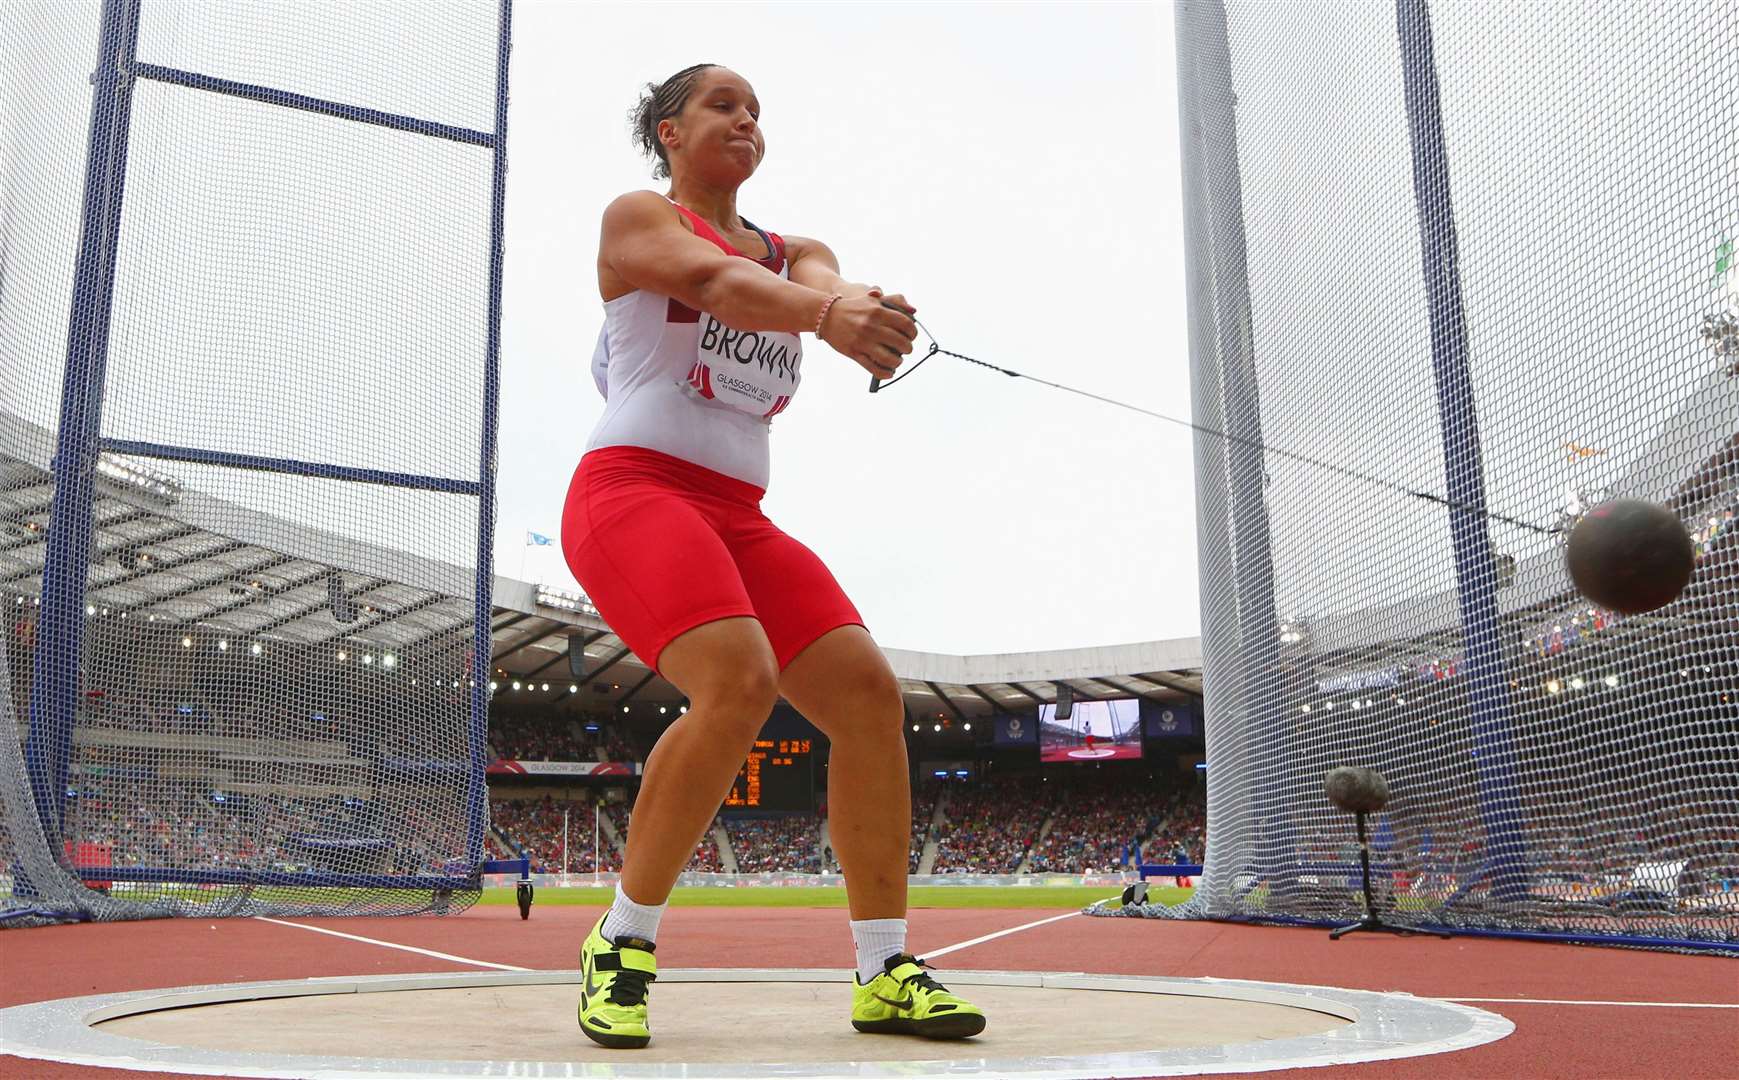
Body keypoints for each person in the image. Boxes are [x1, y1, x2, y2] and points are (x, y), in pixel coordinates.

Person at [561, 63, 985, 1049]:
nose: (745, 121)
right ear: (669, 132)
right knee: (738, 678)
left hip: (735, 512)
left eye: (755, 111)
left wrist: (851, 311)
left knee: (869, 697)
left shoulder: (798, 251)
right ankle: (620, 943)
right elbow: (715, 283)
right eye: (722, 106)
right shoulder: (636, 218)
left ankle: (883, 967)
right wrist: (824, 318)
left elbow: (816, 282)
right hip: (632, 492)